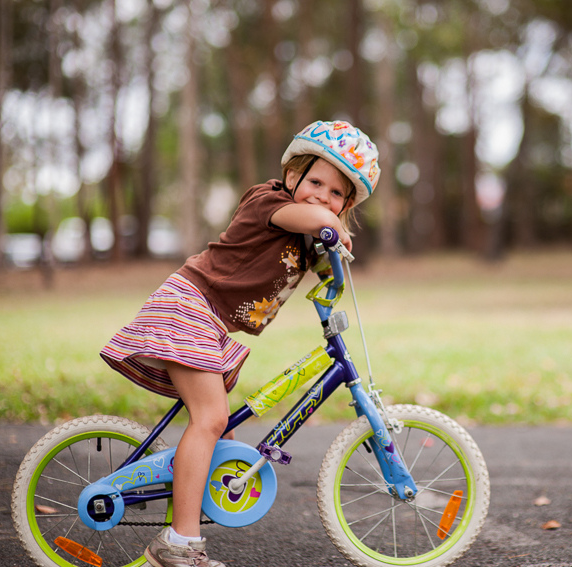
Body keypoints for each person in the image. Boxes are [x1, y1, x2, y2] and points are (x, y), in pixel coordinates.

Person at [100, 120, 380, 567]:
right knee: (211, 419)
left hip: (208, 323)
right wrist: (330, 221)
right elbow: (309, 216)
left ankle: (184, 519)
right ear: (292, 177)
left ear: (347, 202)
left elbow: (326, 267)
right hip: (189, 307)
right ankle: (177, 544)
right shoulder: (268, 201)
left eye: (336, 194)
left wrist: (334, 262)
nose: (322, 197)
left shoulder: (310, 236)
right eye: (315, 182)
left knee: (222, 431)